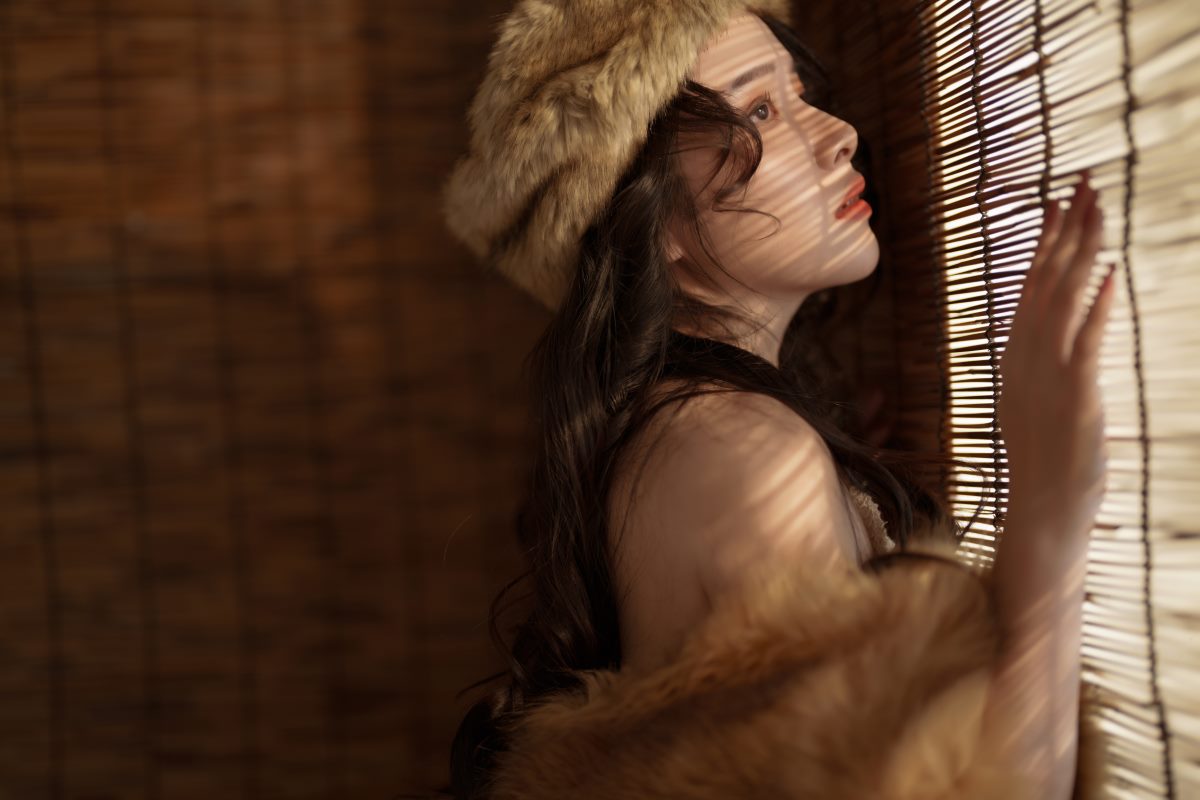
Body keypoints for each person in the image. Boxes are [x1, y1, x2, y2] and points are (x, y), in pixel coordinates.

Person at [437, 1, 1115, 797]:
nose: (840, 134)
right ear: (654, 219)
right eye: (760, 110)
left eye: (799, 94)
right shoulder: (743, 457)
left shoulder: (698, 436)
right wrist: (1048, 518)